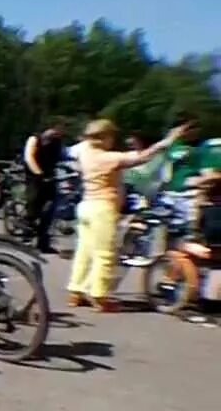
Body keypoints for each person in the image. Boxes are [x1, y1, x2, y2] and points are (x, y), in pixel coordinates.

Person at [66, 119, 174, 311]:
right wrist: (165, 142)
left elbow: (72, 151)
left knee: (84, 252)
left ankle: (76, 291)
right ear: (105, 137)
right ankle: (99, 295)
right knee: (105, 254)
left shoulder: (84, 151)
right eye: (111, 136)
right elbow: (142, 158)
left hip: (86, 206)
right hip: (102, 208)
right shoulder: (107, 158)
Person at [23, 120, 67, 252]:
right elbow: (29, 157)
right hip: (34, 176)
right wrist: (38, 173)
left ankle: (43, 243)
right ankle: (27, 231)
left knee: (49, 211)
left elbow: (61, 158)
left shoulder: (57, 142)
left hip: (50, 177)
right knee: (33, 204)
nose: (57, 134)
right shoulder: (34, 139)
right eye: (56, 131)